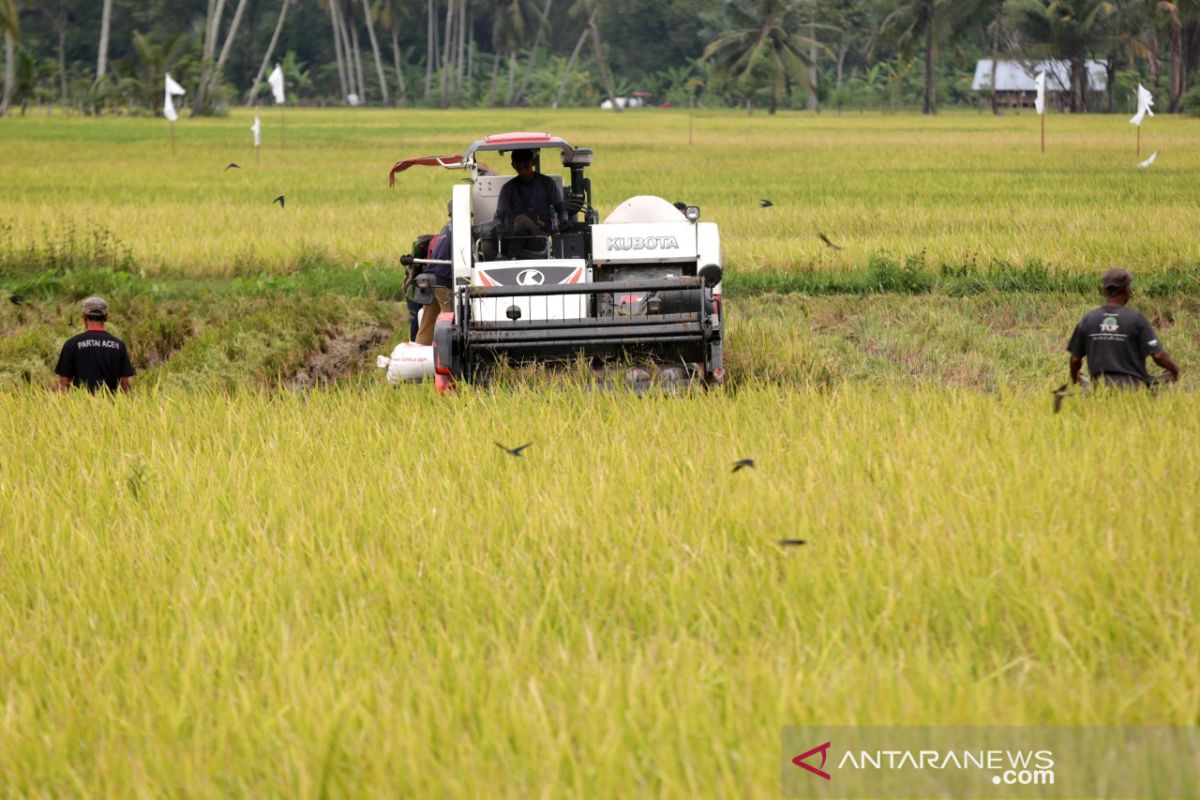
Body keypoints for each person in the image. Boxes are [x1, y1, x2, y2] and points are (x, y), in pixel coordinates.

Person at [1067, 268, 1180, 388]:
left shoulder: (1088, 318)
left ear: (1105, 291)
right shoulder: (1136, 318)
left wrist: (1075, 378)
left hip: (1099, 387)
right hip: (1132, 387)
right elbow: (1158, 356)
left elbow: (1075, 359)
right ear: (1126, 290)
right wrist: (1175, 371)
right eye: (1130, 286)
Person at [55, 296, 135, 393]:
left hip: (80, 405)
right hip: (111, 406)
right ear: (106, 317)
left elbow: (64, 383)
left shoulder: (72, 344)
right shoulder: (118, 345)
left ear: (84, 315)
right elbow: (124, 384)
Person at [494, 148, 567, 251]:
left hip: (539, 237)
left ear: (533, 163)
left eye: (526, 165)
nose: (523, 170)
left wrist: (564, 220)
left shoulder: (547, 183)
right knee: (486, 245)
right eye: (519, 166)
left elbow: (561, 209)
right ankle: (511, 254)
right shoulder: (508, 188)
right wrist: (498, 226)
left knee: (521, 220)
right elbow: (499, 216)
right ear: (513, 166)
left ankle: (512, 255)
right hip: (512, 236)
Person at [415, 203, 455, 346]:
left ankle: (419, 357)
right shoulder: (462, 230)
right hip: (443, 282)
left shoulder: (445, 228)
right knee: (449, 322)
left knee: (427, 324)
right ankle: (446, 359)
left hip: (428, 278)